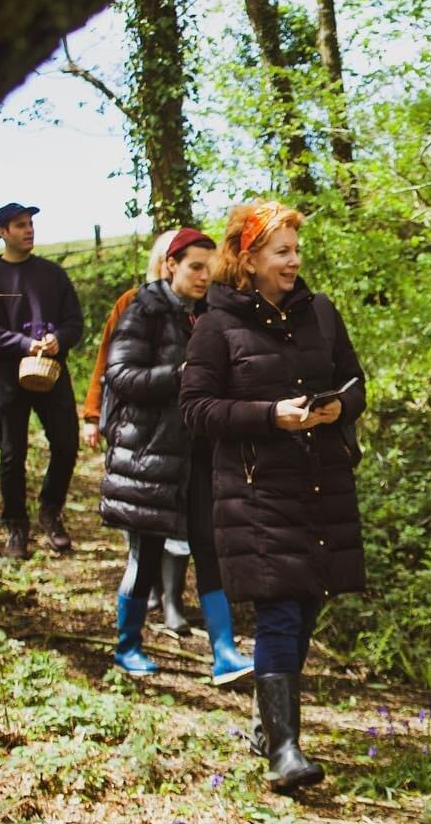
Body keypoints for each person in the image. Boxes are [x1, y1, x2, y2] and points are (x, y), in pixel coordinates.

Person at [180, 200, 366, 792]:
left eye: (296, 250)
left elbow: (356, 383)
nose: (294, 261)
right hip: (257, 491)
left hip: (320, 482)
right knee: (282, 608)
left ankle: (267, 727)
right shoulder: (215, 326)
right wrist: (268, 415)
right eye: (282, 251)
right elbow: (196, 409)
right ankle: (285, 751)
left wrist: (339, 407)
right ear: (249, 257)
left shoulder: (322, 313)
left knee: (306, 602)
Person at [98, 227, 254, 685]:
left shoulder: (211, 314)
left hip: (200, 452)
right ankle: (127, 647)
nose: (204, 276)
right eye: (195, 268)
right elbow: (120, 375)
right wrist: (180, 374)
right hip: (150, 453)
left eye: (209, 268)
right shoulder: (142, 308)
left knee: (209, 546)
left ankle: (224, 653)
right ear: (170, 265)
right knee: (146, 554)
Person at [83, 231, 195, 634]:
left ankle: (172, 598)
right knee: (141, 513)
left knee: (180, 518)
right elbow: (107, 364)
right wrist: (92, 414)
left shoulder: (198, 308)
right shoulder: (132, 303)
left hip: (182, 431)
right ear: (165, 262)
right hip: (137, 430)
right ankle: (145, 591)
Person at [0, 202, 83, 559]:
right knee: (11, 454)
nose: (28, 229)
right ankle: (16, 526)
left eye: (30, 223)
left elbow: (74, 322)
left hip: (52, 373)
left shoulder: (52, 274)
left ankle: (50, 511)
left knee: (66, 444)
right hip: (8, 377)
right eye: (19, 225)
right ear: (2, 232)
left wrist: (58, 340)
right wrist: (23, 344)